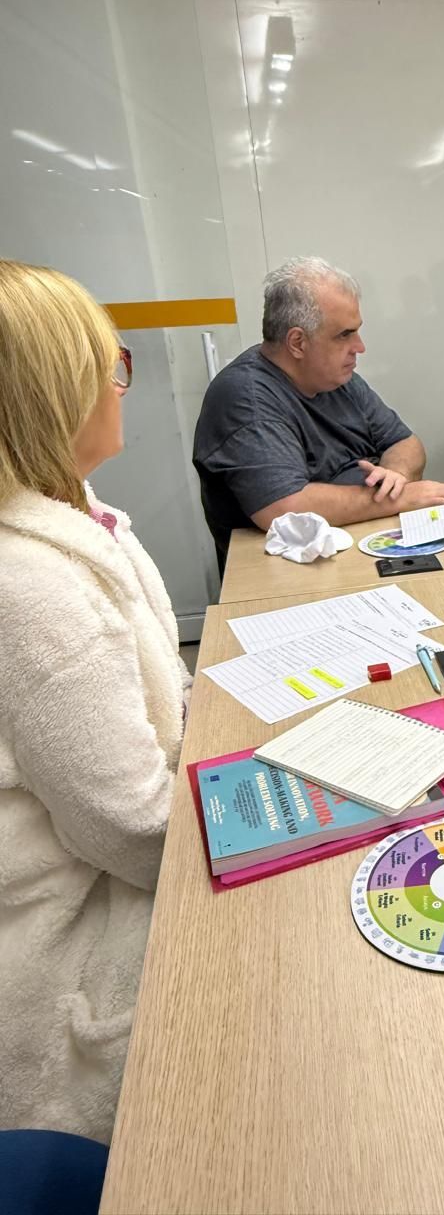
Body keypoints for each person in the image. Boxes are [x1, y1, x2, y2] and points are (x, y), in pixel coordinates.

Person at [0, 260, 189, 1142]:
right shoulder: (29, 586)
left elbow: (163, 694)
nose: (121, 383)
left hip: (111, 853)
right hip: (74, 935)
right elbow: (136, 830)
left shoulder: (73, 509)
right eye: (111, 363)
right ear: (56, 391)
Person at [193, 257, 444, 568]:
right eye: (344, 335)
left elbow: (405, 443)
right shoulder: (246, 397)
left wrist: (395, 478)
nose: (359, 346)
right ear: (297, 342)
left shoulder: (335, 378)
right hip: (291, 570)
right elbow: (284, 509)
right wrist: (400, 499)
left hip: (363, 543)